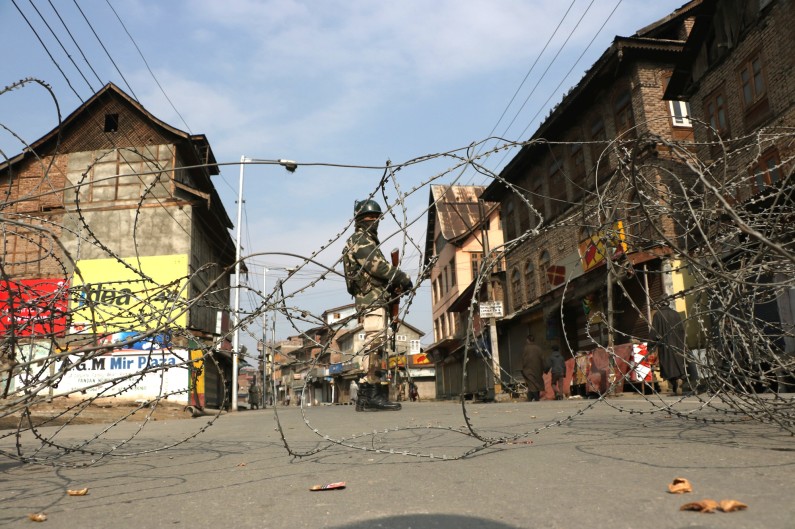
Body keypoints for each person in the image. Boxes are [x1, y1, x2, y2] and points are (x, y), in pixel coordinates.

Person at [342, 199, 413, 412]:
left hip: (377, 299)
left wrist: (393, 288)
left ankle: (367, 394)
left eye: (376, 218)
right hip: (370, 299)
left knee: (377, 344)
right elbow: (376, 267)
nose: (373, 221)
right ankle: (370, 392)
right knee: (374, 344)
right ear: (358, 220)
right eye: (368, 218)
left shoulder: (369, 242)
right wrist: (401, 277)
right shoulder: (359, 240)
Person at [650, 301, 687, 396]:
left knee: (668, 367)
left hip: (666, 345)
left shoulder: (658, 315)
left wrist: (650, 345)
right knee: (678, 365)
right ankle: (679, 380)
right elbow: (682, 330)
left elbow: (654, 332)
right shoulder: (676, 314)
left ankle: (675, 382)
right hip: (678, 344)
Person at [521, 333, 545, 402]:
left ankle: (534, 398)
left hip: (528, 370)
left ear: (528, 340)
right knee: (536, 383)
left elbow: (524, 359)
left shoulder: (526, 348)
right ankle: (532, 398)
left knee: (532, 384)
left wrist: (523, 368)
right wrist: (544, 368)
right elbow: (542, 359)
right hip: (538, 370)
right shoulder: (538, 349)